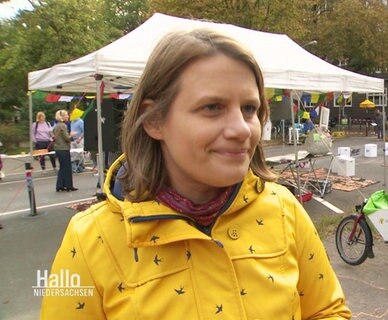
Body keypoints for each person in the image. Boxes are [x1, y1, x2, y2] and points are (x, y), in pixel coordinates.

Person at [41, 29, 350, 319]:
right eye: (213, 107)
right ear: (154, 120)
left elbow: (327, 310)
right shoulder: (91, 239)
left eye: (249, 109)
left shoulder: (284, 210)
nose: (242, 129)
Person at [52, 109, 78, 192]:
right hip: (64, 148)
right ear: (62, 117)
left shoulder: (56, 125)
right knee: (67, 168)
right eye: (66, 115)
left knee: (62, 168)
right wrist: (72, 135)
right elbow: (67, 138)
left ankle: (60, 185)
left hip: (58, 148)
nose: (68, 116)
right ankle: (68, 185)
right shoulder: (63, 125)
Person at [69, 108, 86, 173]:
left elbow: (84, 131)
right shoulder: (72, 122)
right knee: (73, 154)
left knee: (80, 153)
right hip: (73, 139)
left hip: (79, 139)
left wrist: (80, 138)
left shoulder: (80, 121)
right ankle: (74, 167)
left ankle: (81, 166)